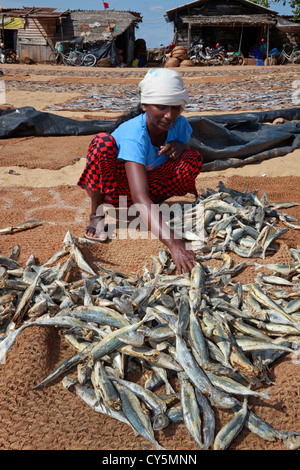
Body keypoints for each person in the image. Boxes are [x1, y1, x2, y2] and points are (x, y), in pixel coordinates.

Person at [77, 68, 203, 274]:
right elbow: (138, 196)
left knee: (192, 158)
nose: (169, 115)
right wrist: (175, 245)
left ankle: (152, 211)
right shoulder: (134, 134)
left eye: (175, 107)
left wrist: (181, 146)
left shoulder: (179, 124)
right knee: (102, 143)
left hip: (149, 184)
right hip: (118, 189)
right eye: (161, 107)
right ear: (145, 105)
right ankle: (96, 215)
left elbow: (186, 153)